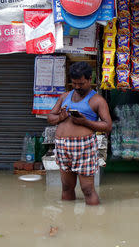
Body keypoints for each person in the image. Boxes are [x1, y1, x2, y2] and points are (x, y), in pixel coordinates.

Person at [47, 62, 112, 205]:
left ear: (90, 79)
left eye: (81, 83)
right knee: (66, 187)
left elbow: (107, 126)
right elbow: (50, 117)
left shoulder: (98, 100)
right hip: (62, 147)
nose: (77, 87)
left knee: (87, 189)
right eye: (74, 83)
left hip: (83, 147)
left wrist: (85, 122)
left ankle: (94, 223)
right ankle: (67, 221)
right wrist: (60, 118)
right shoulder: (64, 96)